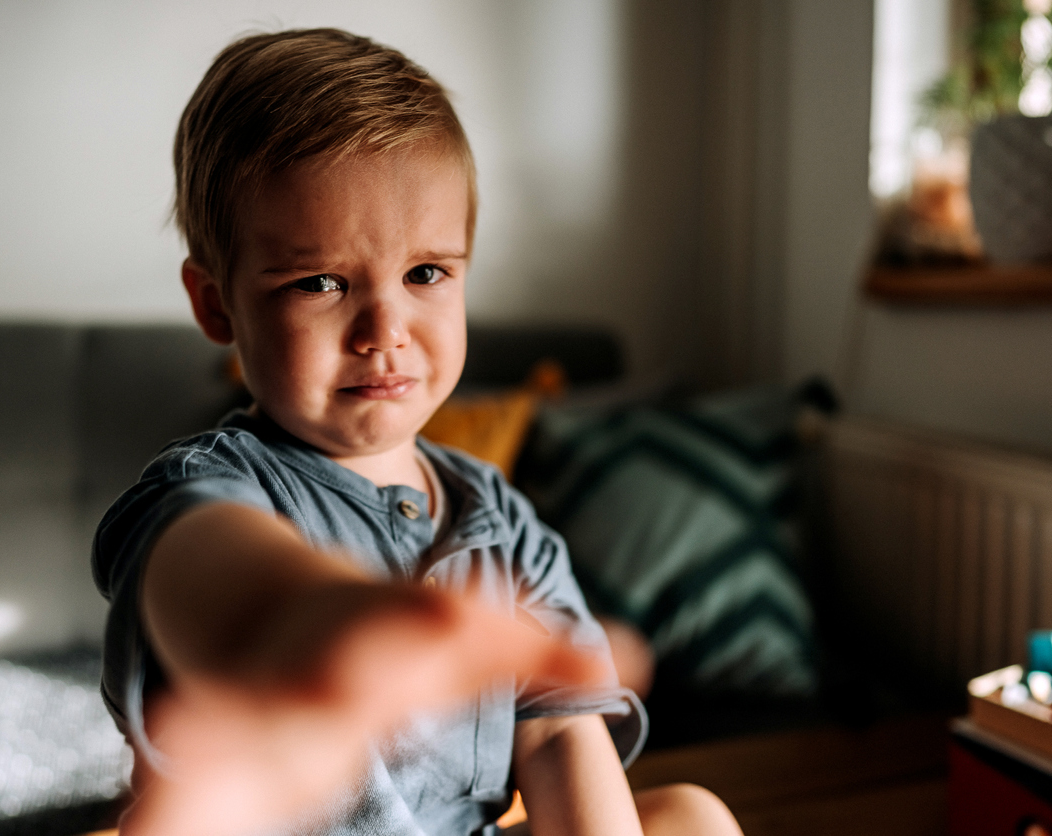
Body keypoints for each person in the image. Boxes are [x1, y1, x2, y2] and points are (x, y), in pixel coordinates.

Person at [92, 27, 743, 836]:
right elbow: (207, 576)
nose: (385, 328)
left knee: (693, 817)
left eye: (425, 273)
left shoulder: (501, 524)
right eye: (320, 282)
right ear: (217, 304)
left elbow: (560, 735)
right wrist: (316, 625)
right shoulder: (213, 492)